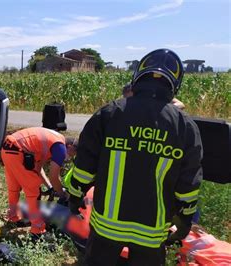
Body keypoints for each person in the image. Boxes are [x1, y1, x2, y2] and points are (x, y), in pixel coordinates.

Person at [65, 49, 203, 265]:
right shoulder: (184, 127)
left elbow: (84, 167)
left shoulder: (109, 114)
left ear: (138, 75)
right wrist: (184, 220)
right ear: (175, 83)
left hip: (106, 228)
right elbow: (189, 185)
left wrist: (74, 196)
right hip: (152, 231)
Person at [1, 127, 77, 238]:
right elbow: (54, 176)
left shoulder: (52, 142)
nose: (70, 158)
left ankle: (13, 218)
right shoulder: (60, 148)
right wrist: (62, 193)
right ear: (69, 147)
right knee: (34, 191)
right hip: (18, 151)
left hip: (8, 148)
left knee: (14, 187)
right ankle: (38, 230)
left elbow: (38, 167)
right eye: (72, 154)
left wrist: (50, 187)